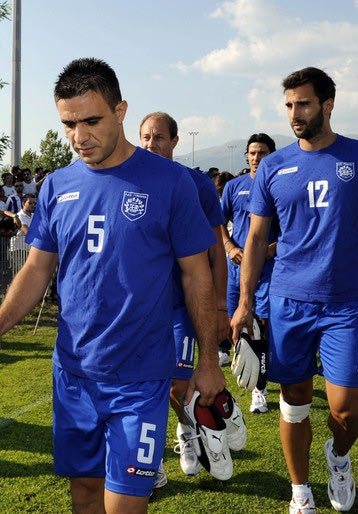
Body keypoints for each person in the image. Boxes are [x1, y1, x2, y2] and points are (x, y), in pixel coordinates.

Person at [0, 58, 224, 514]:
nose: (79, 136)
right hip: (73, 374)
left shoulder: (170, 182)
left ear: (120, 111)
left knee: (125, 505)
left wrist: (207, 360)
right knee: (84, 493)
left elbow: (196, 274)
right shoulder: (56, 186)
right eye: (68, 124)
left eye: (91, 121)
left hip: (141, 377)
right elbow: (36, 269)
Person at [231, 67, 358, 514]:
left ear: (328, 105)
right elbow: (255, 238)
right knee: (294, 401)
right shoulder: (273, 166)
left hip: (344, 303)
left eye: (304, 104)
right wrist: (244, 303)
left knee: (347, 410)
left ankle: (338, 456)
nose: (294, 114)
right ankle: (300, 491)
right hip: (288, 301)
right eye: (289, 105)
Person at [139, 111, 230, 484]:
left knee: (177, 385)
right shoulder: (129, 179)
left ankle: (186, 431)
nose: (151, 144)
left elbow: (216, 250)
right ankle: (151, 459)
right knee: (146, 385)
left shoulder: (196, 184)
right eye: (146, 137)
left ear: (175, 141)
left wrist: (221, 304)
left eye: (159, 137)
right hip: (143, 306)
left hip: (183, 303)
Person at [221, 133, 278, 414]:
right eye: (253, 153)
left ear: (272, 156)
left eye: (262, 153)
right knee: (237, 325)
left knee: (263, 328)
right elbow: (218, 223)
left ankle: (260, 388)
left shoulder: (279, 185)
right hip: (236, 271)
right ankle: (246, 372)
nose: (256, 158)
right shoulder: (234, 186)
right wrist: (229, 246)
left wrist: (272, 248)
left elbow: (293, 227)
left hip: (268, 271)